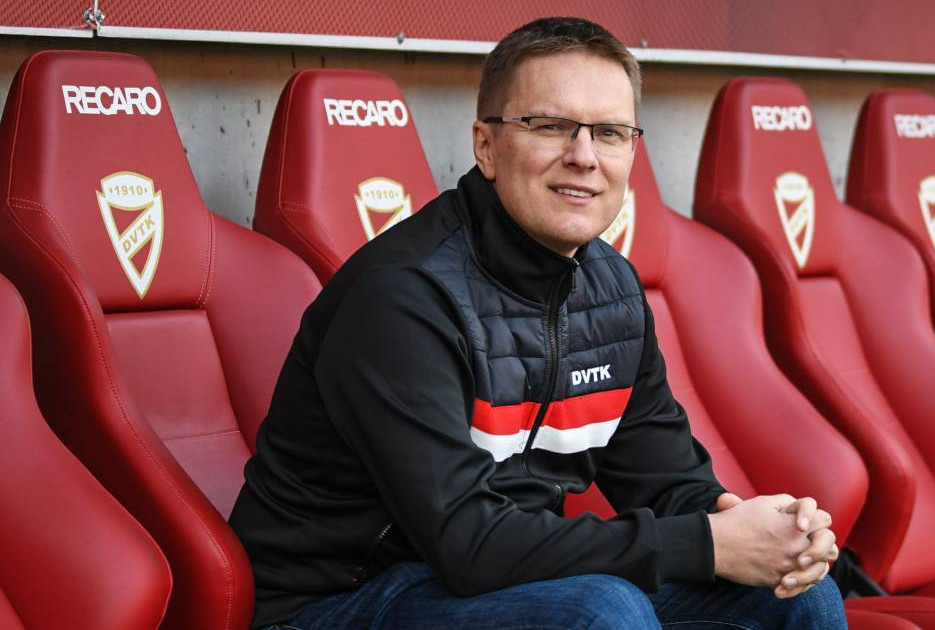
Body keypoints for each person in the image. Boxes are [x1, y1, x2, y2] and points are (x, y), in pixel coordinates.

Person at [230, 16, 845, 630]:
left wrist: (764, 533)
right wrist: (705, 544)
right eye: (550, 126)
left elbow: (666, 482)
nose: (584, 157)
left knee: (795, 598)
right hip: (336, 601)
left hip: (495, 581)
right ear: (486, 146)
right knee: (599, 612)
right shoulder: (404, 296)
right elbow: (466, 543)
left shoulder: (612, 291)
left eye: (609, 133)